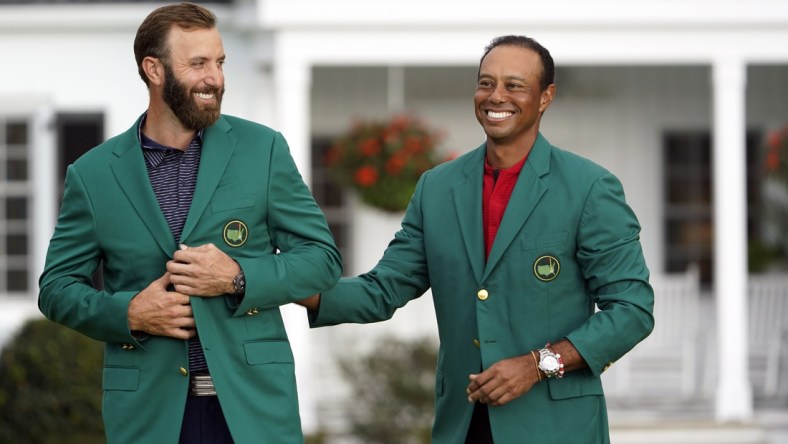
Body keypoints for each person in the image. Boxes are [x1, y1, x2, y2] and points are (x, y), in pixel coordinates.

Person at [298, 35, 654, 443]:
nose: (495, 96)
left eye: (514, 85)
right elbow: (383, 289)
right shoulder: (437, 187)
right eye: (486, 83)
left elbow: (632, 310)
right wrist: (275, 280)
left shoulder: (589, 188)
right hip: (462, 426)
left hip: (557, 428)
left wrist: (538, 364)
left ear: (545, 97)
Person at [38, 2, 342, 443]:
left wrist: (238, 277)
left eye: (219, 62)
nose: (214, 78)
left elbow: (322, 261)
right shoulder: (93, 174)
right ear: (154, 69)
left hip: (252, 408)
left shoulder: (263, 149)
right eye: (198, 63)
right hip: (149, 414)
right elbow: (56, 288)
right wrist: (129, 313)